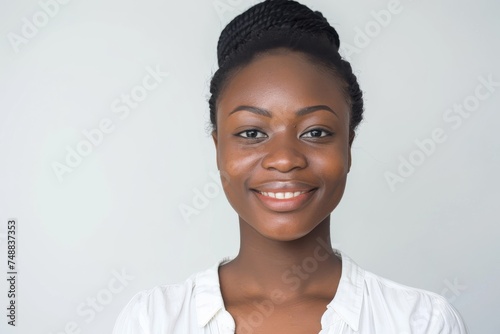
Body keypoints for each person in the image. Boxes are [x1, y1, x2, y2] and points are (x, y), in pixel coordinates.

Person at [112, 0, 468, 333]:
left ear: (348, 146)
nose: (284, 158)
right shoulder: (154, 320)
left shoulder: (418, 322)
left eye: (315, 131)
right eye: (252, 132)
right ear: (219, 148)